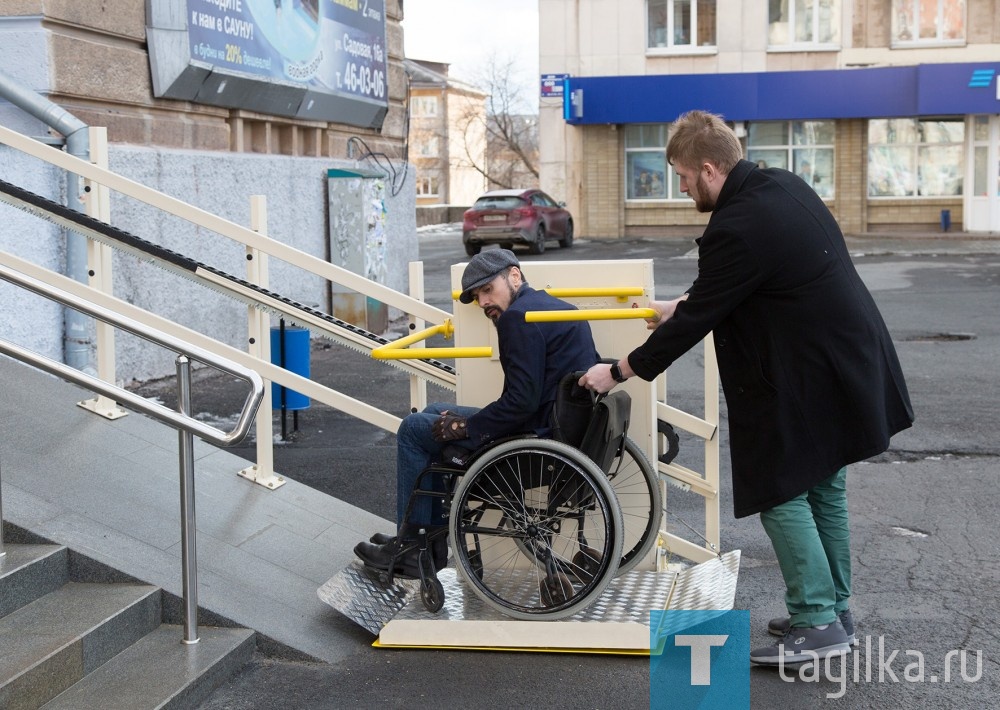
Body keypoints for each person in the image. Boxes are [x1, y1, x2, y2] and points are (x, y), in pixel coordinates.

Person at [579, 110, 913, 666]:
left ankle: (817, 620)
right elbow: (742, 281)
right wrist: (680, 305)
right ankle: (833, 610)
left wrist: (616, 371)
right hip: (840, 363)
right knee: (823, 485)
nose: (682, 189)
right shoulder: (779, 186)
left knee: (781, 492)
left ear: (709, 169)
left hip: (803, 374)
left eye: (684, 178)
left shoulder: (736, 226)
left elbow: (706, 311)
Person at [355, 248, 601, 576]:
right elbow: (528, 399)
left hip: (534, 441)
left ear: (515, 276)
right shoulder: (557, 308)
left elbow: (520, 404)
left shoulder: (518, 318)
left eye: (488, 290)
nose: (483, 302)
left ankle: (413, 549)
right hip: (559, 429)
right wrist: (461, 422)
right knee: (435, 410)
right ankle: (425, 539)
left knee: (414, 428)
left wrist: (467, 427)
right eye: (477, 295)